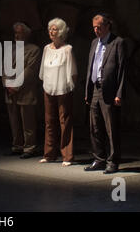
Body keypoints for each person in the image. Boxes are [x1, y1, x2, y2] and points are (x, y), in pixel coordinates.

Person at [84, 13, 126, 174]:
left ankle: (113, 161)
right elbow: (91, 66)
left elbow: (122, 70)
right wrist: (88, 91)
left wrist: (119, 94)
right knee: (94, 126)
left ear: (108, 26)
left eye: (99, 27)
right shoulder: (94, 42)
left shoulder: (118, 42)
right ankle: (99, 158)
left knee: (111, 128)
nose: (96, 30)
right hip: (95, 88)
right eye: (94, 27)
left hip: (110, 90)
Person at [38, 18, 77, 167]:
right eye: (50, 29)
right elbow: (42, 71)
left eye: (54, 29)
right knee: (49, 122)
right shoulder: (47, 49)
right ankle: (49, 154)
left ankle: (67, 156)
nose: (51, 32)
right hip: (48, 88)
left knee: (65, 122)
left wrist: (70, 87)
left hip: (63, 89)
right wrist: (46, 84)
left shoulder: (68, 49)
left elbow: (73, 72)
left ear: (60, 32)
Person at [2, 22, 41, 159]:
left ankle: (29, 148)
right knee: (14, 121)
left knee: (27, 122)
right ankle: (17, 145)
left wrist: (16, 86)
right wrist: (7, 85)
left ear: (27, 34)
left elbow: (29, 71)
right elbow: (5, 69)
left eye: (20, 33)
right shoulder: (10, 49)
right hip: (10, 91)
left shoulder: (34, 49)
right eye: (16, 33)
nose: (17, 35)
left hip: (26, 91)